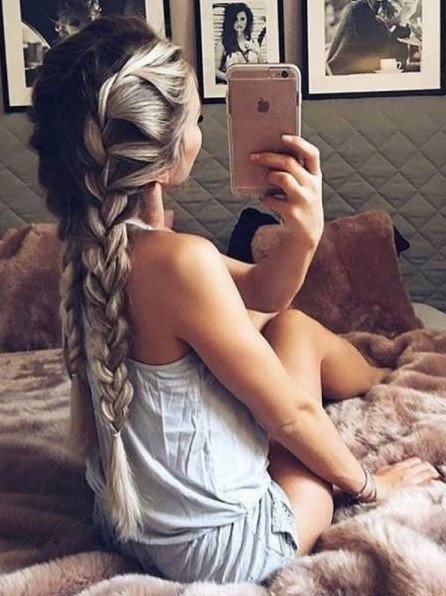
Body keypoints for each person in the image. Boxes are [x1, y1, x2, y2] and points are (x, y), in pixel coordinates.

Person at [29, 15, 440, 585]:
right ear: (167, 153)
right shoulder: (180, 262)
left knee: (288, 325)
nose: (202, 131)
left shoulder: (94, 248)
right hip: (226, 548)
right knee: (295, 343)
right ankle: (377, 374)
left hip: (126, 524)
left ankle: (375, 373)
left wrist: (305, 236)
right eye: (197, 119)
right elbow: (291, 416)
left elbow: (261, 292)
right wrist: (373, 486)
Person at [326, 0, 420, 75]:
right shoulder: (358, 9)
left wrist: (402, 21)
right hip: (349, 79)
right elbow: (377, 51)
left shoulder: (389, 10)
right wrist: (400, 21)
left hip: (372, 77)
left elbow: (399, 62)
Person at [215, 3, 262, 84]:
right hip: (232, 87)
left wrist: (257, 50)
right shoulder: (223, 43)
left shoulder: (254, 42)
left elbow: (264, 69)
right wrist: (228, 78)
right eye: (235, 19)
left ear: (247, 20)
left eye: (242, 19)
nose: (239, 23)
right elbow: (214, 70)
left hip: (253, 87)